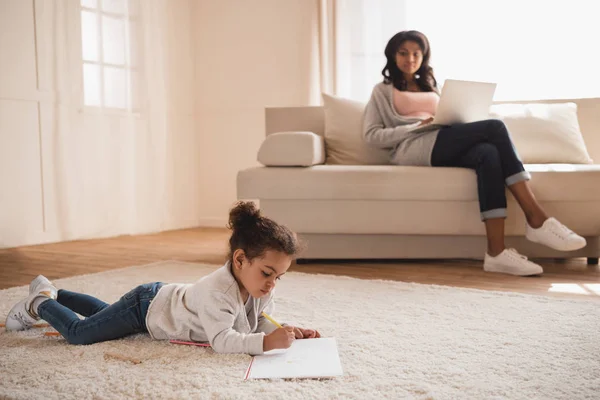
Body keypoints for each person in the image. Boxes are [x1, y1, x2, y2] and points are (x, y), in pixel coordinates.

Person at [362, 30, 586, 276]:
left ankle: (496, 253)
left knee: (488, 153)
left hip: (442, 139)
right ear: (392, 55)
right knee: (495, 127)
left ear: (424, 56)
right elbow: (372, 135)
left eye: (416, 53)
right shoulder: (382, 90)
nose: (410, 59)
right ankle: (536, 218)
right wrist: (416, 126)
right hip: (413, 148)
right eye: (403, 53)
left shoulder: (431, 85)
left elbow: (443, 119)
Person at [5, 201, 320, 354]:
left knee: (103, 314)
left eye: (279, 277)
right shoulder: (218, 293)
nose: (271, 284)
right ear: (240, 259)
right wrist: (266, 344)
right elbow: (223, 340)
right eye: (268, 273)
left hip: (156, 308)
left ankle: (58, 295)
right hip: (146, 307)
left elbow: (254, 320)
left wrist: (286, 331)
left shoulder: (259, 288)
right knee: (81, 334)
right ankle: (41, 302)